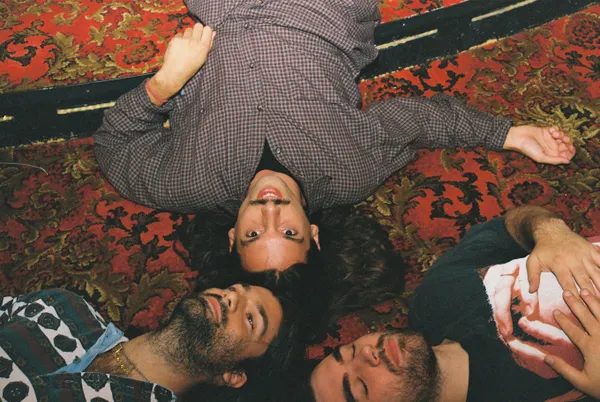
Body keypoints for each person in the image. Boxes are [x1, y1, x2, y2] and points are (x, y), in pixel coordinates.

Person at [94, 9, 576, 274]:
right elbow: (415, 121)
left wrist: (166, 83)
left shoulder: (187, 184)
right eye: (289, 233)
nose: (269, 212)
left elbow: (115, 144)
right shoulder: (348, 175)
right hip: (321, 13)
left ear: (231, 236)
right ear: (315, 234)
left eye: (254, 234)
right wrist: (508, 134)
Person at [310, 205, 600, 401]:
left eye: (348, 351)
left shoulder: (435, 299)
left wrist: (552, 233)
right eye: (360, 387)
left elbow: (513, 223)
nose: (367, 354)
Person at [0, 279, 304, 401]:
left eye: (251, 319)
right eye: (233, 289)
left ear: (234, 374)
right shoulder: (65, 307)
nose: (230, 297)